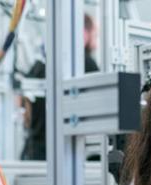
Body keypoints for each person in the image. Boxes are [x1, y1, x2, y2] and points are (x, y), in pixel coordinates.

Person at [20, 14, 99, 160]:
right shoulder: (85, 63)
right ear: (83, 33)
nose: (96, 40)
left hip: (35, 153)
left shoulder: (40, 65)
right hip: (67, 153)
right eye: (94, 33)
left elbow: (24, 109)